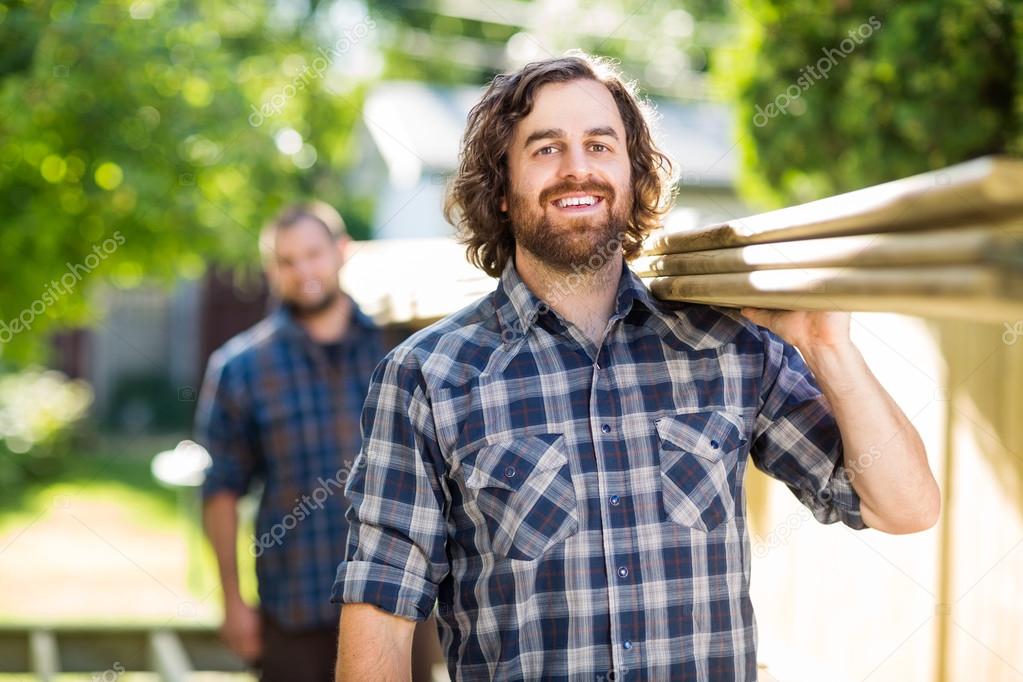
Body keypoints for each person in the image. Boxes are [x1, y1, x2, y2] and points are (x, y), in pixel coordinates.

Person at [332, 54, 941, 681]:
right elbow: (381, 602)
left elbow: (906, 507)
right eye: (545, 149)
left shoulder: (729, 346)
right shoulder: (428, 378)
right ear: (501, 189)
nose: (578, 168)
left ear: (632, 172)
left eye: (601, 144)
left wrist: (827, 345)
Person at [196, 202, 386, 681]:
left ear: (342, 252)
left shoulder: (399, 351)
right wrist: (232, 602)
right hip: (294, 611)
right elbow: (220, 492)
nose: (303, 270)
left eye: (313, 254)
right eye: (286, 260)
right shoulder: (240, 368)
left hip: (395, 605)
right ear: (271, 271)